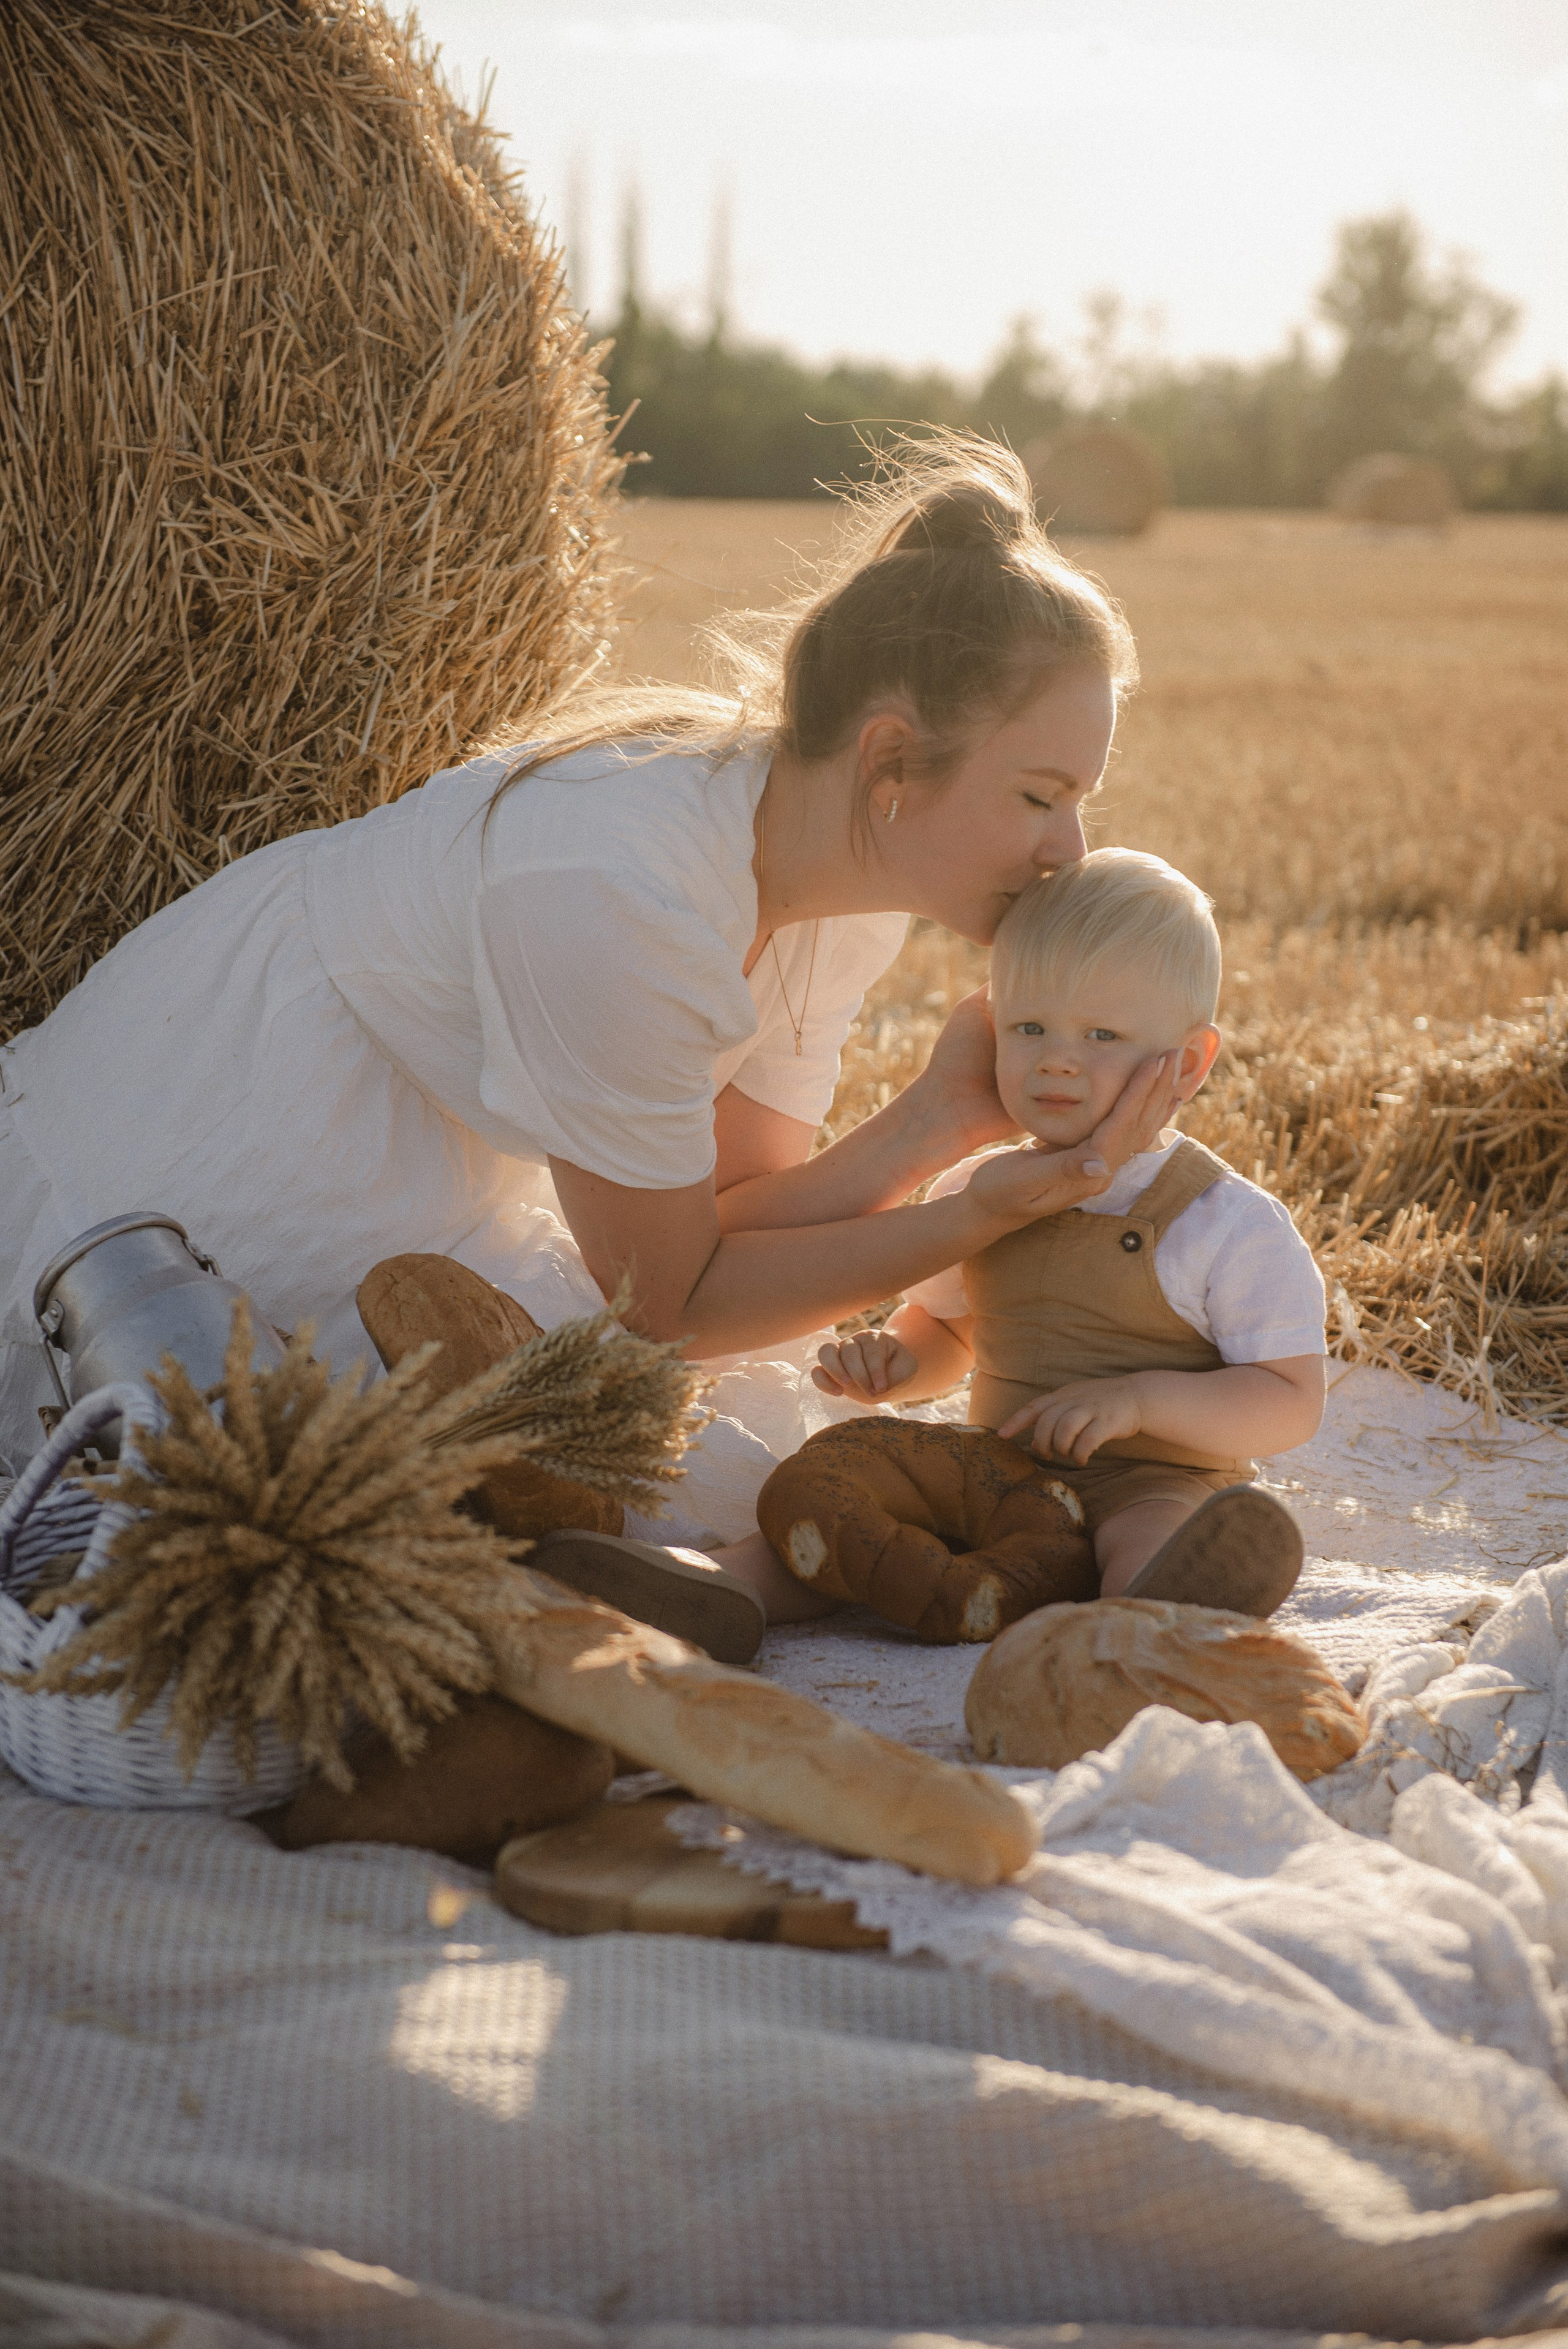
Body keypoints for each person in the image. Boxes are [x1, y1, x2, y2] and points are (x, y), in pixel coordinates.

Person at [0, 437, 1175, 1653]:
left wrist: (940, 1123)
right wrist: (979, 1214)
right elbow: (671, 1306)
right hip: (206, 1162)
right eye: (1039, 796)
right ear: (889, 763)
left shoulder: (845, 897)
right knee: (538, 1478)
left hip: (420, 1179)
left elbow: (727, 1216)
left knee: (705, 1439)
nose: (1071, 849)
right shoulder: (627, 892)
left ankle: (695, 1582)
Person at [793, 848, 1328, 1621]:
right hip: (994, 1482)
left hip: (1154, 1483)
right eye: (1030, 1026)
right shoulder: (974, 1194)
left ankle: (1145, 1622)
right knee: (843, 1482)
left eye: (1101, 1034)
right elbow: (952, 1332)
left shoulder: (1222, 1221)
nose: (1056, 1061)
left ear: (1187, 1063)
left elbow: (1289, 1400)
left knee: (1152, 1537)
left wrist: (1138, 1401)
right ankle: (728, 1586)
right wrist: (895, 1362)